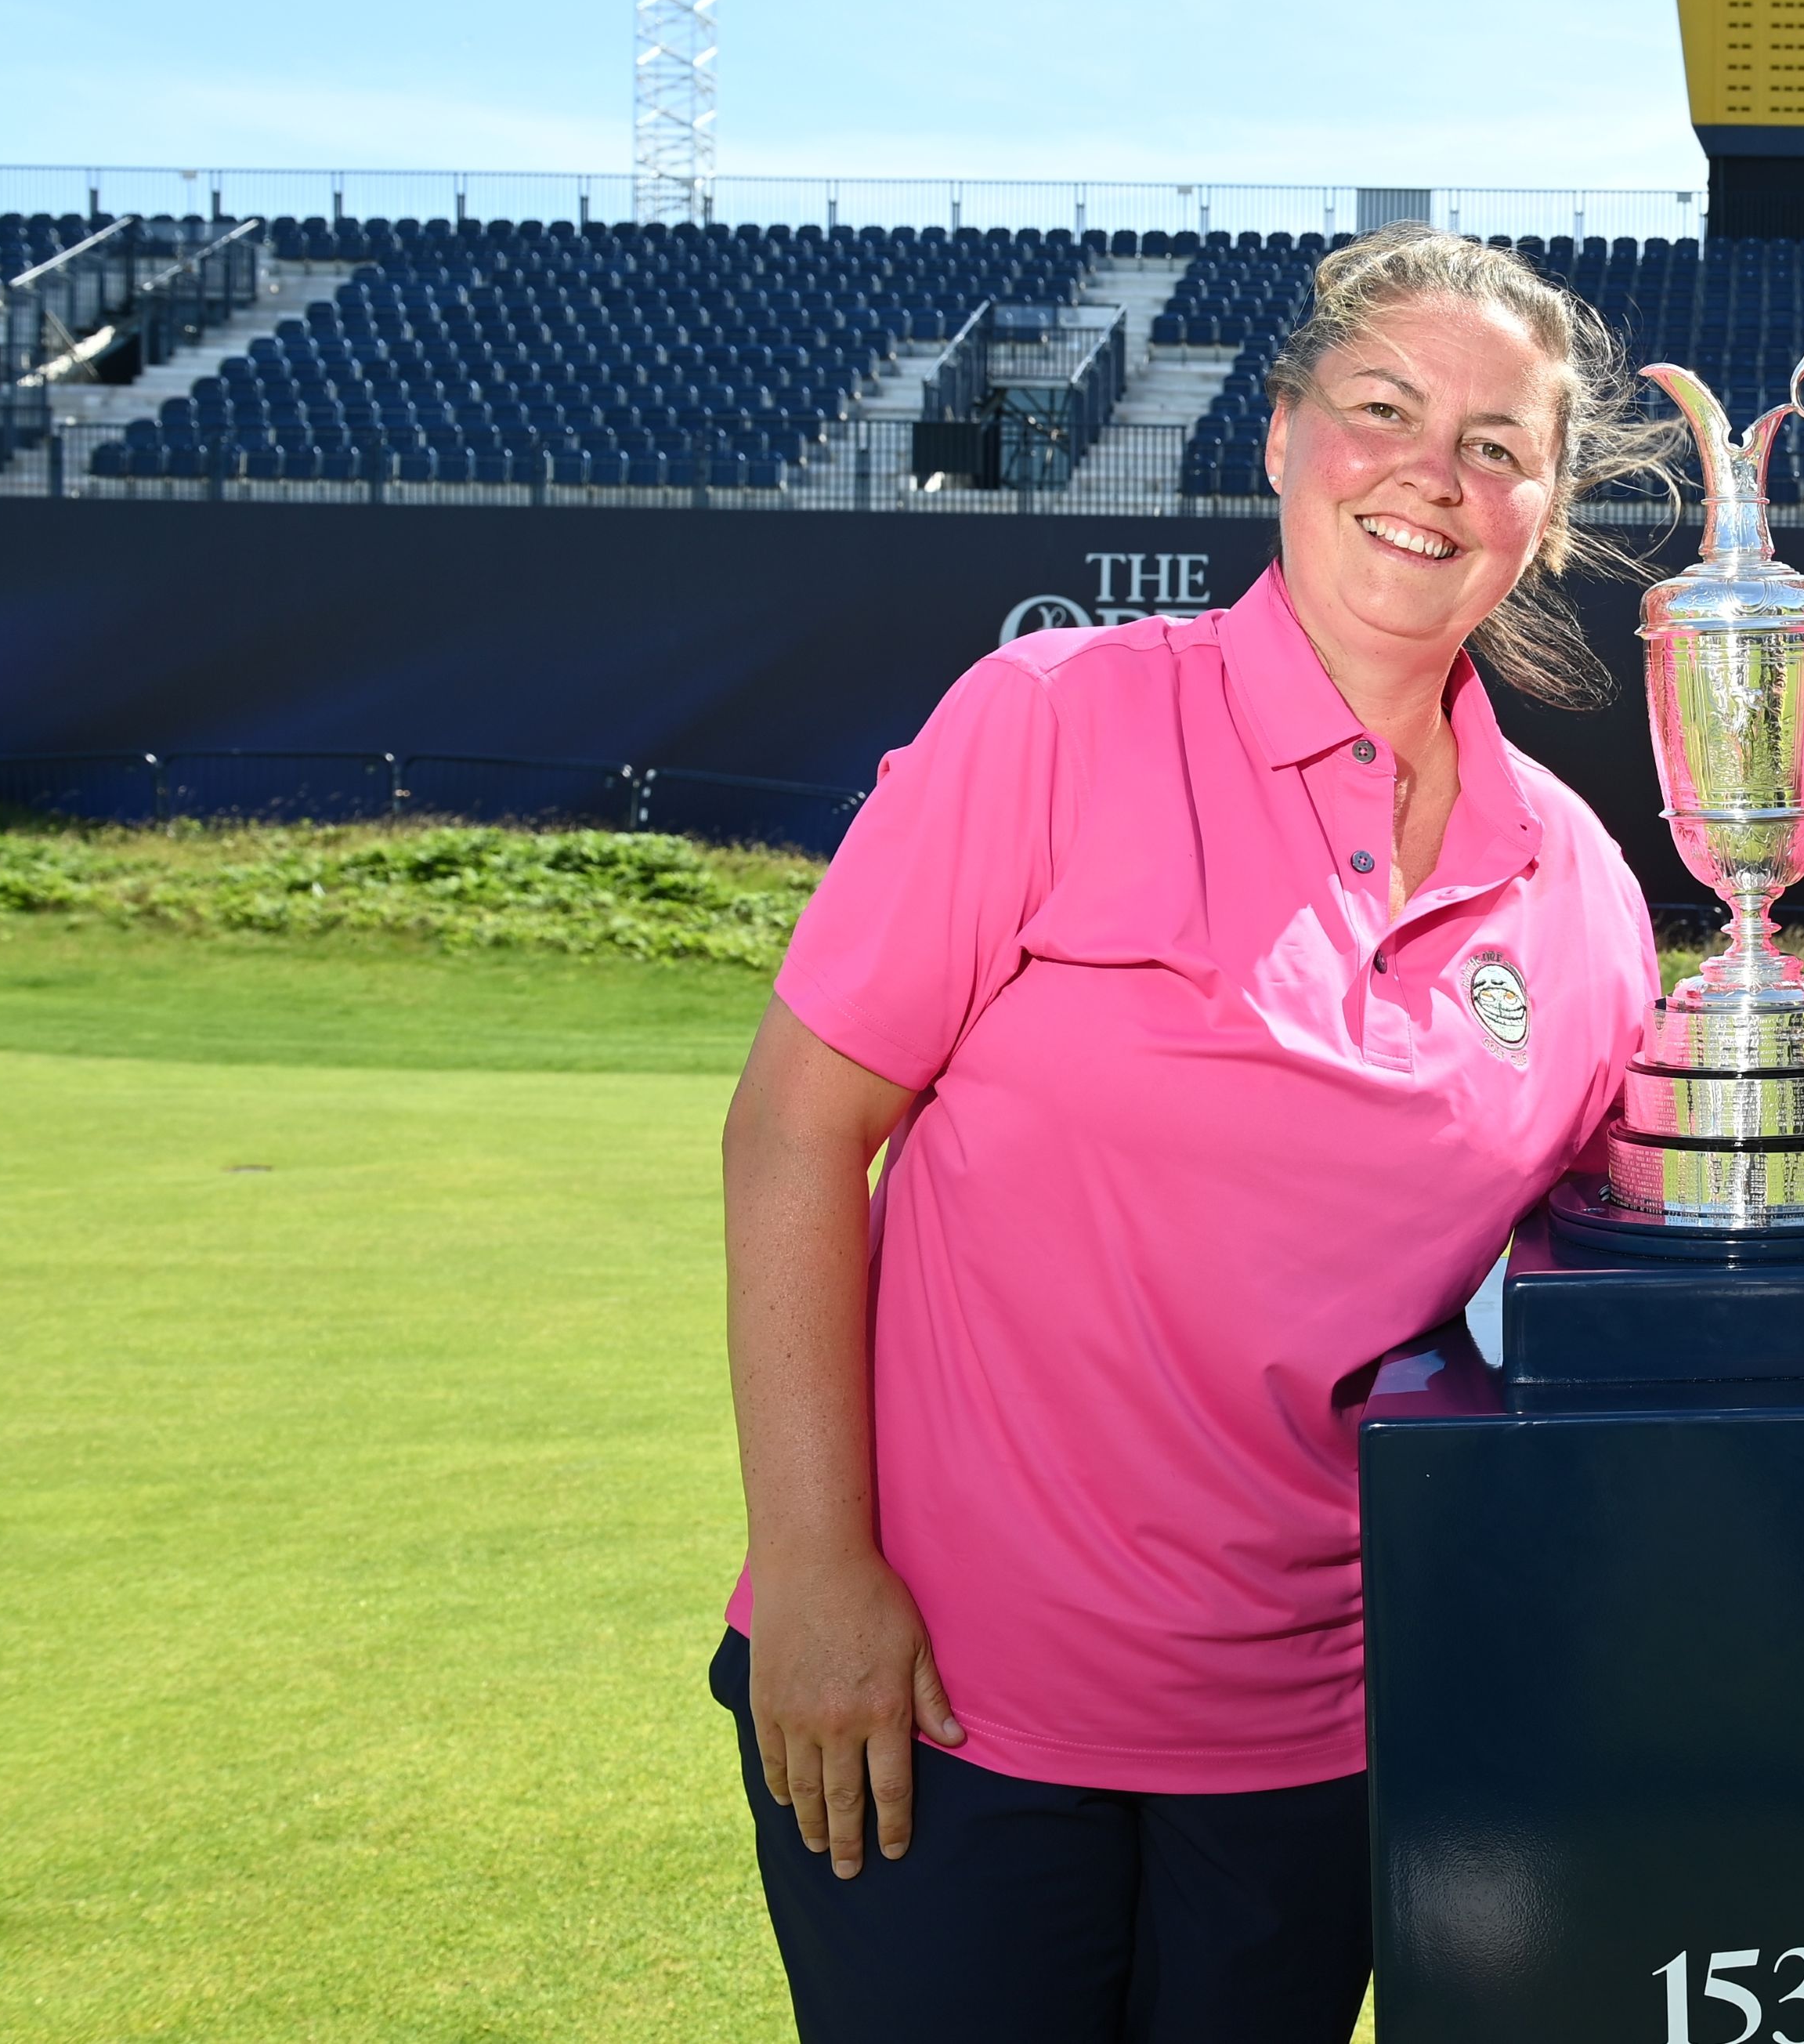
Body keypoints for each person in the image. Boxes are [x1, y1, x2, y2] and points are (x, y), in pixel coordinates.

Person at [714, 226, 1667, 2042]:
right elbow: (791, 1135)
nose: (1430, 473)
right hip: (942, 1704)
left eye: (1494, 443)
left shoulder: (1584, 888)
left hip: (1322, 1748)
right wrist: (819, 1575)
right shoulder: (1051, 718)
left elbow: (1576, 1314)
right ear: (1281, 435)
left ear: (1543, 510)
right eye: (1381, 408)